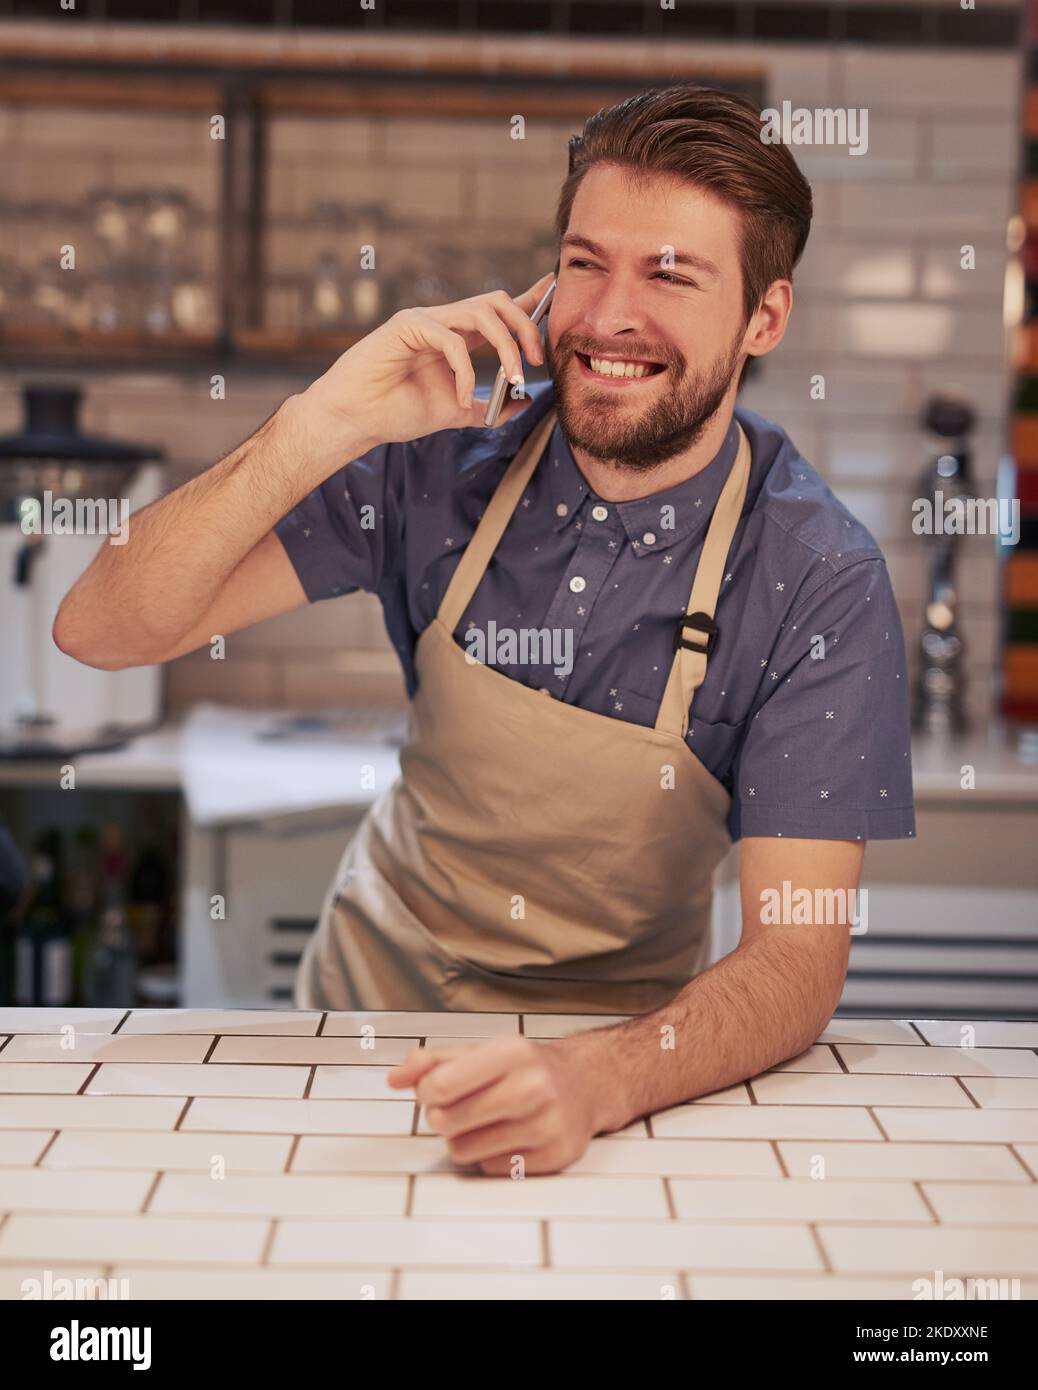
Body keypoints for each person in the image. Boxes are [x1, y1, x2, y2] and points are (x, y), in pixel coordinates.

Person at [54, 85, 914, 1174]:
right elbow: (101, 627)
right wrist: (328, 417)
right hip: (357, 1047)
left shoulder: (815, 577)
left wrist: (597, 1078)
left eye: (671, 273)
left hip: (623, 1076)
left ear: (766, 317)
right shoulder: (438, 462)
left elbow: (796, 954)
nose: (608, 315)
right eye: (587, 260)